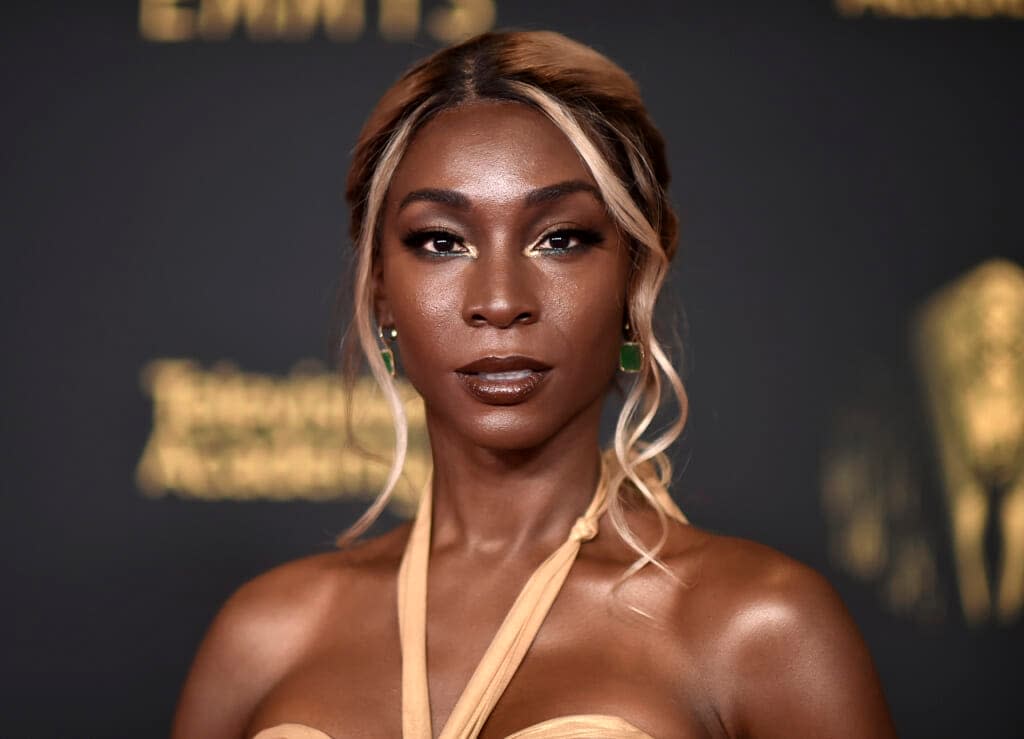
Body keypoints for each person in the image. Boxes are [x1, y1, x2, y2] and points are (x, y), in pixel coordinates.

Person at [171, 30, 897, 739]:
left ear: (636, 275)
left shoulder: (759, 627)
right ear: (381, 290)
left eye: (560, 238)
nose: (499, 299)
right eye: (441, 240)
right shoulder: (266, 634)